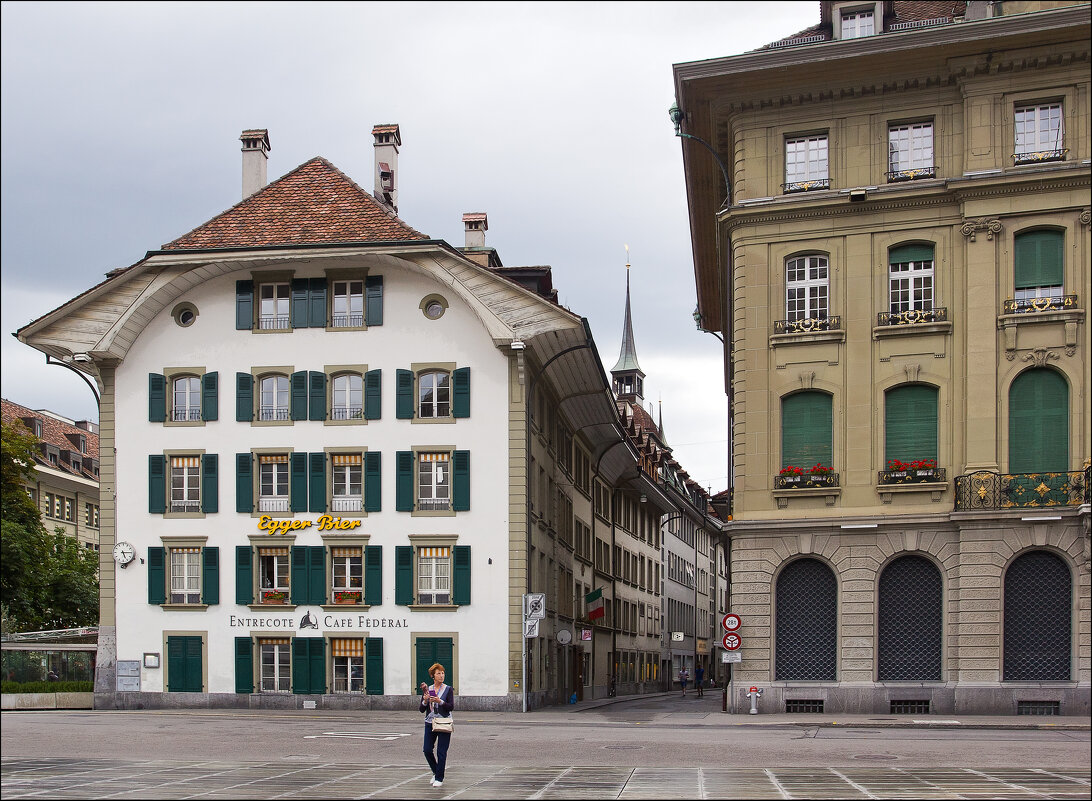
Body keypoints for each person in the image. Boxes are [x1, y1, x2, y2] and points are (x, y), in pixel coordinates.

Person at [419, 662, 454, 788]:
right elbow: (422, 709)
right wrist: (425, 700)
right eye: (438, 673)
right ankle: (436, 771)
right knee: (427, 749)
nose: (441, 675)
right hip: (430, 722)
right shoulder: (429, 689)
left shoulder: (448, 689)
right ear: (433, 676)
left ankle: (439, 778)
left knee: (441, 751)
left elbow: (451, 707)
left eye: (443, 673)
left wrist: (440, 701)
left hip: (444, 722)